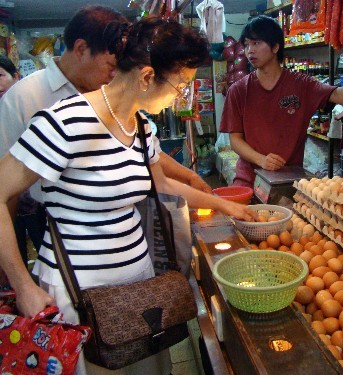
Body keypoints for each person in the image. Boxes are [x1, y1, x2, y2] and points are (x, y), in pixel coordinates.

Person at [0, 16, 257, 375]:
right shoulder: (66, 122)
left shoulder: (137, 125)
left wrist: (225, 204)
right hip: (81, 294)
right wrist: (23, 286)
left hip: (137, 287)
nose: (181, 95)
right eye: (181, 85)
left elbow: (163, 184)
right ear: (147, 76)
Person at [0, 5, 211, 267]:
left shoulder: (135, 120)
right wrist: (18, 278)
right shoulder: (49, 112)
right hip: (58, 240)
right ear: (80, 49)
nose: (114, 75)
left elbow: (152, 166)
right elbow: (5, 191)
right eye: (112, 65)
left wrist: (200, 185)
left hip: (130, 264)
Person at [220, 15, 343, 188]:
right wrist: (261, 160)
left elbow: (336, 93)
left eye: (256, 43)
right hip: (248, 178)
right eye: (246, 45)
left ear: (276, 47)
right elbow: (235, 140)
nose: (249, 51)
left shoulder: (300, 84)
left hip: (288, 180)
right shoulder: (239, 90)